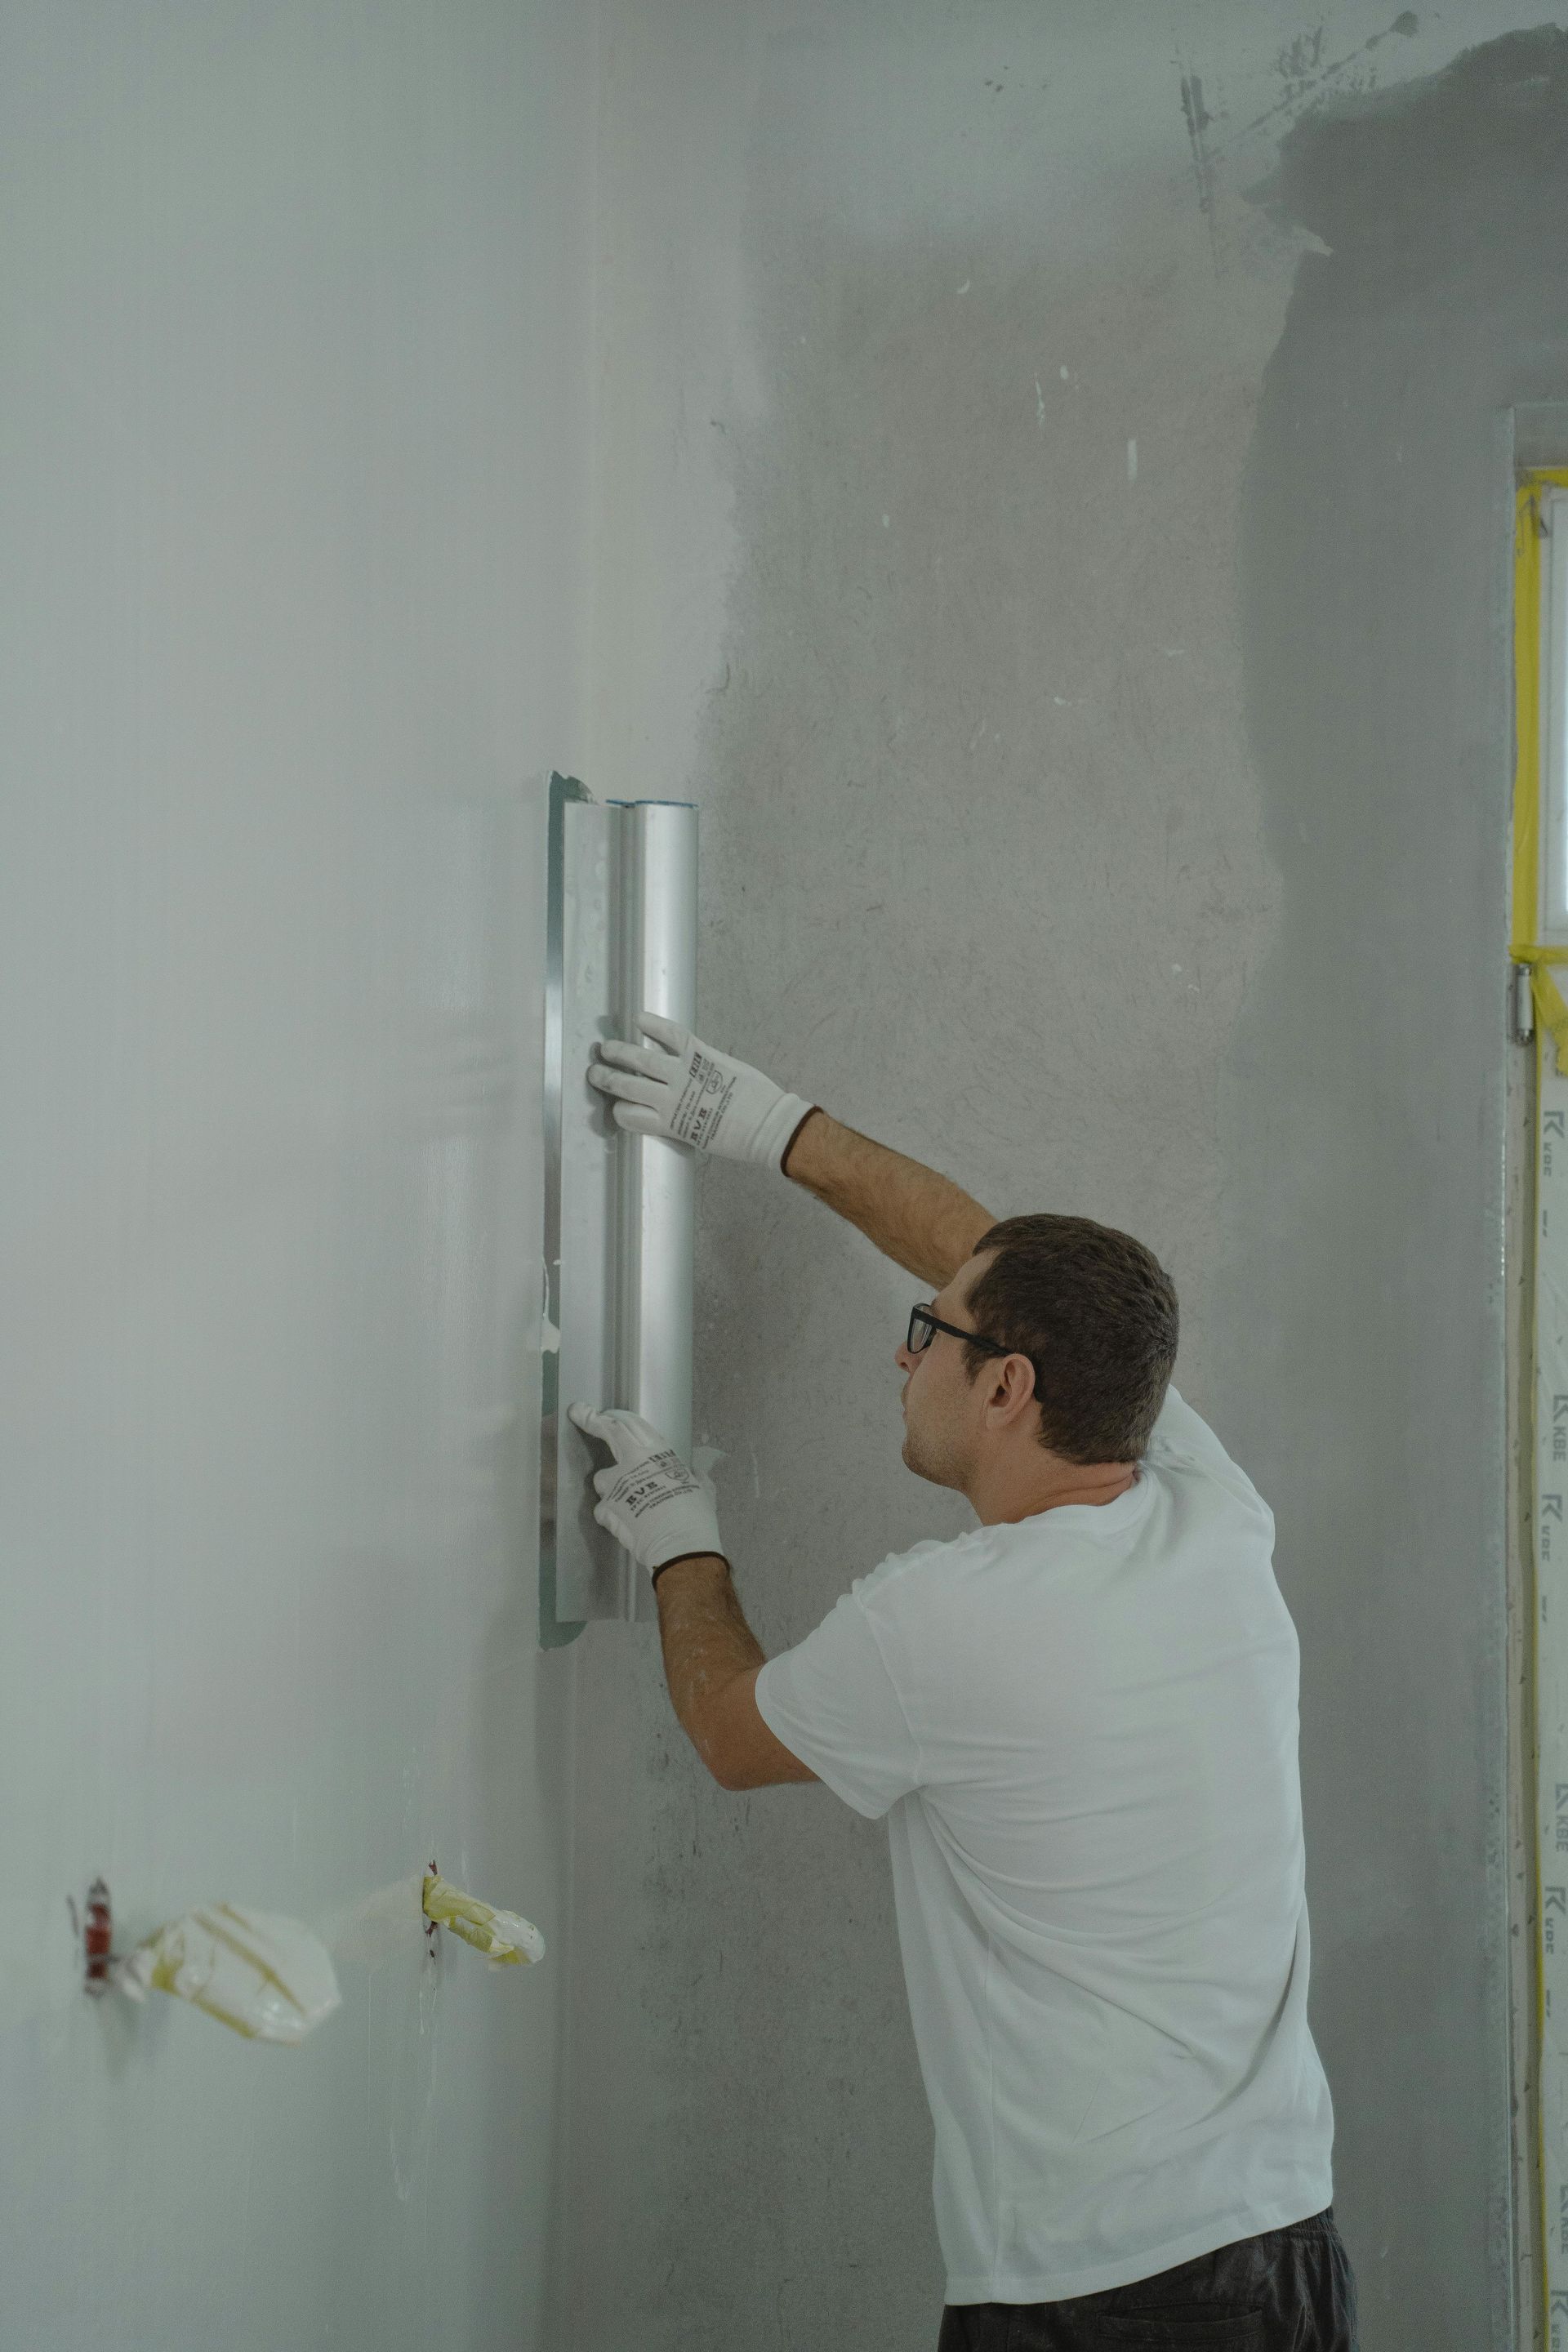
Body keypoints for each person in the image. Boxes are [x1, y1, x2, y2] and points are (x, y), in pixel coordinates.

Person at [570, 1013, 1358, 2352]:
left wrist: (675, 1529)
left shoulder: (950, 1624)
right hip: (1287, 2242)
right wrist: (767, 1126)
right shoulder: (1210, 1507)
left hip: (1110, 2295)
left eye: (924, 1337)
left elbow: (728, 1730)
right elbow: (993, 1264)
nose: (901, 1354)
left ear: (1003, 1390)